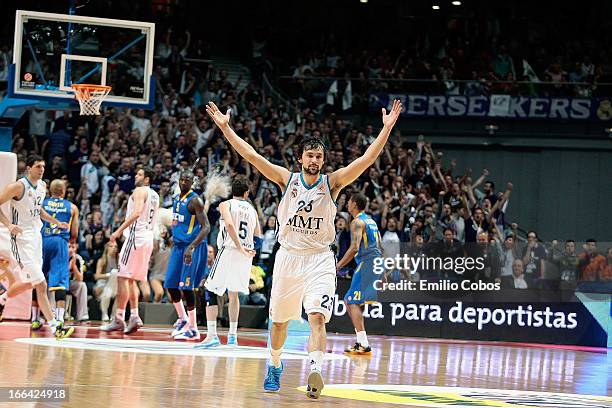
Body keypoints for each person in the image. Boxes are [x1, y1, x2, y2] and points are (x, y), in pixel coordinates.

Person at [206, 98, 402, 399]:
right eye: (310, 155)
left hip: (319, 259)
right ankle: (274, 363)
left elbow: (365, 160)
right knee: (280, 322)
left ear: (323, 161)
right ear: (301, 158)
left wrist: (386, 129)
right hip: (288, 257)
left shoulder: (332, 183)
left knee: (317, 317)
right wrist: (225, 128)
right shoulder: (287, 180)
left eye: (318, 157)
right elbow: (251, 155)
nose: (314, 160)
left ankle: (315, 369)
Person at [0, 155, 73, 338]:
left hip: (36, 238)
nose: (42, 169)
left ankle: (1, 299)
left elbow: (38, 209)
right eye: (38, 166)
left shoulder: (42, 186)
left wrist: (55, 221)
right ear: (29, 168)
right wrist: (9, 225)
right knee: (41, 283)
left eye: (43, 166)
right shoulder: (18, 186)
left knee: (28, 283)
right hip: (21, 240)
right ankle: (56, 326)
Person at [200, 176, 260, 348]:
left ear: (231, 191)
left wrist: (240, 246)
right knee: (234, 294)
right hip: (245, 255)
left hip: (230, 250)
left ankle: (212, 336)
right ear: (247, 193)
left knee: (210, 289)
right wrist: (250, 248)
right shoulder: (252, 209)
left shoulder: (225, 204)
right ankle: (232, 336)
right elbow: (257, 234)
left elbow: (230, 225)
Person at [101, 167, 159, 334]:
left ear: (147, 179)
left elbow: (137, 213)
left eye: (140, 174)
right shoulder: (155, 195)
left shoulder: (140, 191)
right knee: (132, 279)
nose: (136, 176)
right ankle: (134, 315)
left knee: (122, 277)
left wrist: (118, 230)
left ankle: (118, 318)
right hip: (148, 238)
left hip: (136, 237)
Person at [164, 170, 210, 341]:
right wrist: (170, 235)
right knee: (170, 284)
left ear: (193, 183)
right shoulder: (176, 198)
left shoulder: (195, 200)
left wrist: (191, 247)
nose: (184, 182)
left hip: (191, 247)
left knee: (187, 287)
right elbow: (179, 222)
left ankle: (193, 328)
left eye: (187, 180)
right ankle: (183, 319)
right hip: (178, 246)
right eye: (182, 179)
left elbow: (206, 227)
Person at [335, 193, 382, 356]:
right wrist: (383, 272)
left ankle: (363, 343)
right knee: (354, 302)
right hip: (375, 263)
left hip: (367, 263)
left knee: (350, 300)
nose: (347, 204)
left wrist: (338, 266)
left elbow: (354, 248)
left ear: (354, 204)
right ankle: (362, 342)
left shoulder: (357, 222)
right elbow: (380, 246)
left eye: (349, 201)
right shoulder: (371, 222)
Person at [35, 180, 79, 328]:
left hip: (41, 241)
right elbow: (74, 233)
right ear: (64, 191)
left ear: (50, 191)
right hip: (60, 242)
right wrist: (70, 242)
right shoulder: (72, 208)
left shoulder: (42, 203)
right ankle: (60, 319)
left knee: (38, 278)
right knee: (60, 281)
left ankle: (35, 318)